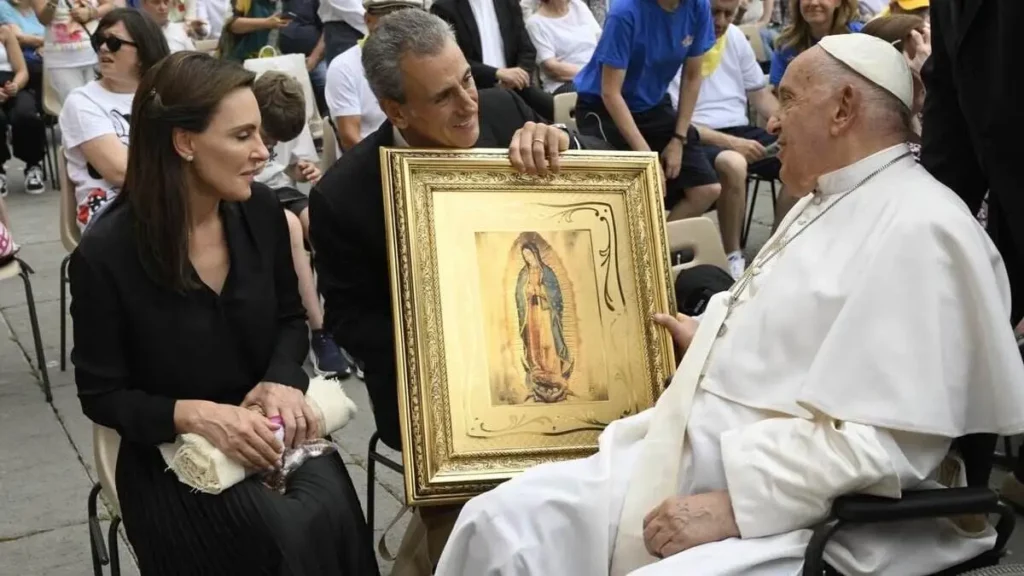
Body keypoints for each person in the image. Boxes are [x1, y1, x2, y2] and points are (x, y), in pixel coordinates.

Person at [436, 33, 1024, 576]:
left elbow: (890, 446)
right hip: (687, 447)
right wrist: (713, 340)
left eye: (788, 99)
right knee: (500, 523)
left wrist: (734, 506)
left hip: (810, 507)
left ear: (843, 109)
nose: (771, 117)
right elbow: (797, 334)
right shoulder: (825, 197)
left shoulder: (923, 230)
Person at [309, 10, 609, 574]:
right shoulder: (345, 194)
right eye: (444, 96)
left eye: (467, 79)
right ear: (396, 109)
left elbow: (596, 161)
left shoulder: (502, 109)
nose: (468, 102)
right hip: (433, 399)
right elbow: (349, 323)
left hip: (549, 353)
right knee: (484, 528)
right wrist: (445, 325)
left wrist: (560, 140)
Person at [69, 51, 379, 576]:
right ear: (184, 143)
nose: (262, 153)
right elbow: (103, 395)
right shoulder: (106, 255)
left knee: (334, 515)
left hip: (269, 430)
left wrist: (282, 381)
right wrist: (200, 414)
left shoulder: (260, 213)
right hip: (174, 455)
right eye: (242, 136)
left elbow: (288, 320)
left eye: (260, 134)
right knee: (279, 537)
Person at [920, 0, 1024, 506]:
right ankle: (962, 498)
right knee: (972, 316)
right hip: (1005, 190)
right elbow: (947, 87)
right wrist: (930, 215)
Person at [573, 0, 722, 222]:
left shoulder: (697, 6)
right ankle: (640, 250)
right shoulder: (624, 13)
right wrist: (648, 158)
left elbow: (692, 77)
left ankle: (658, 251)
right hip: (604, 109)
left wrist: (678, 139)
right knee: (640, 190)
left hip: (652, 105)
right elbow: (611, 93)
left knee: (706, 189)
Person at [251, 70, 353, 379]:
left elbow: (288, 168)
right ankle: (320, 331)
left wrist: (302, 170)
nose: (271, 145)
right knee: (291, 229)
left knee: (317, 222)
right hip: (251, 192)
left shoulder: (288, 123)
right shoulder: (243, 120)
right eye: (269, 138)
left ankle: (344, 320)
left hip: (281, 189)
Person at [669, 0, 780, 276]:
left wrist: (786, 123)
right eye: (713, 12)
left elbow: (758, 93)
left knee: (801, 154)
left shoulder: (734, 38)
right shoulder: (679, 40)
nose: (720, 21)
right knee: (734, 163)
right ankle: (733, 258)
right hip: (695, 134)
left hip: (738, 128)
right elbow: (676, 120)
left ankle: (777, 250)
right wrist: (731, 143)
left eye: (728, 14)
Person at [60, 9, 168, 230]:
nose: (103, 48)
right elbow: (122, 172)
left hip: (165, 201)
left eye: (114, 42)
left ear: (143, 51)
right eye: (99, 40)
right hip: (111, 215)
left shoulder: (164, 94)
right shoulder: (82, 101)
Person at [431, 0, 555, 121]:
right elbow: (451, 62)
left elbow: (527, 49)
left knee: (562, 111)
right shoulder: (444, 7)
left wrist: (520, 73)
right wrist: (496, 73)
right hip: (476, 91)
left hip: (516, 88)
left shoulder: (508, 2)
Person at [325, 0, 421, 152]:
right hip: (370, 164)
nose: (398, 27)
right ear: (367, 20)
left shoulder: (425, 63)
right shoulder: (344, 67)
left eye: (407, 18)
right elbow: (350, 138)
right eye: (388, 18)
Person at [33, 0, 116, 101]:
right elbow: (43, 19)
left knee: (102, 103)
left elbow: (110, 5)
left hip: (94, 55)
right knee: (76, 106)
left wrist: (91, 12)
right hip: (61, 62)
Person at [768, 0, 860, 87]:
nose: (814, 3)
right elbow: (780, 91)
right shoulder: (786, 45)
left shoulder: (860, 36)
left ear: (838, 2)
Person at [0, 24, 44, 196]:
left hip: (11, 84)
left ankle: (33, 164)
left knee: (26, 114)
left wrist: (16, 86)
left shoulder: (4, 32)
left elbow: (22, 70)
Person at [524, 0, 601, 94]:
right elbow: (552, 68)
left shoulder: (579, 6)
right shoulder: (535, 24)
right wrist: (590, 74)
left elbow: (601, 42)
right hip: (565, 84)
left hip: (597, 75)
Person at [278, 0, 327, 114]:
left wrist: (314, 59)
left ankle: (330, 124)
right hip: (284, 59)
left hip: (315, 59)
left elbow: (328, 30)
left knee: (324, 83)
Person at [0, 0, 45, 98]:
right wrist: (48, 43)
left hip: (47, 51)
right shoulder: (3, 5)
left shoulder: (43, 9)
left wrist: (46, 45)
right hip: (27, 55)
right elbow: (20, 37)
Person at [221, 0, 289, 61]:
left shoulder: (284, 3)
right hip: (240, 61)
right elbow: (232, 25)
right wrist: (266, 23)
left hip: (272, 59)